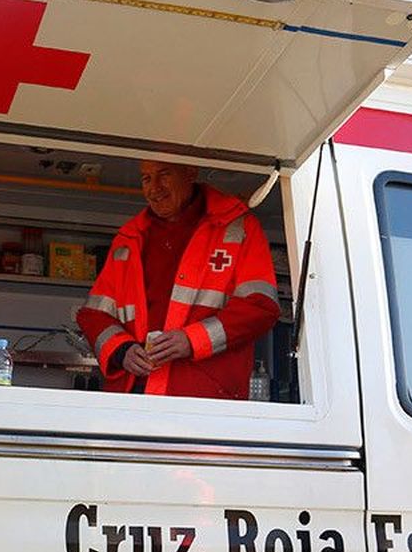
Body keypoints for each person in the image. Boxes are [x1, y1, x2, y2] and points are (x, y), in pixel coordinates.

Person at [76, 160, 280, 398]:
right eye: (146, 178)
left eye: (164, 175)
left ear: (191, 172)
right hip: (133, 395)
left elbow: (261, 307)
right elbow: (93, 314)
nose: (154, 188)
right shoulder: (129, 239)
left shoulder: (239, 227)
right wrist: (122, 350)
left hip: (203, 399)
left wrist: (192, 340)